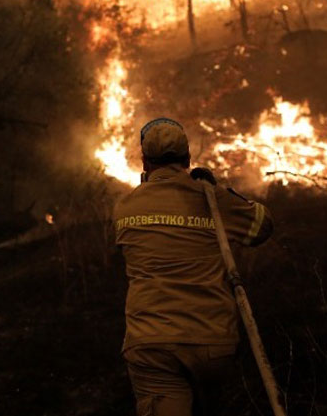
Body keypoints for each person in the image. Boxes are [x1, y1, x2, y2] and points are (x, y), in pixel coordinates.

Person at [113, 117, 274, 416]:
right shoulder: (211, 199)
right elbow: (262, 226)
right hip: (212, 343)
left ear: (145, 162)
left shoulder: (125, 207)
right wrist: (217, 189)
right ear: (188, 159)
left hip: (152, 344)